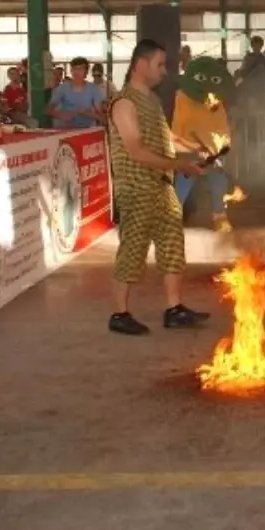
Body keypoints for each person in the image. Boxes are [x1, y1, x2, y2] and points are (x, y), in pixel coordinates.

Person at [107, 38, 209, 335]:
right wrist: (181, 165)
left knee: (172, 246)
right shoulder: (124, 102)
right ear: (141, 65)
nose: (165, 71)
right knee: (133, 250)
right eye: (160, 64)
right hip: (137, 187)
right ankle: (119, 314)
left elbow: (168, 138)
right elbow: (136, 150)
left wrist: (196, 148)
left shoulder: (150, 100)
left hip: (162, 186)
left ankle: (174, 308)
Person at [48, 56, 104, 129]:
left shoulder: (93, 89)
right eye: (74, 69)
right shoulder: (62, 88)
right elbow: (49, 109)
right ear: (71, 71)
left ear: (86, 72)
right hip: (66, 129)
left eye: (80, 69)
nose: (77, 72)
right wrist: (61, 115)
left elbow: (102, 117)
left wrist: (88, 113)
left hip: (87, 129)